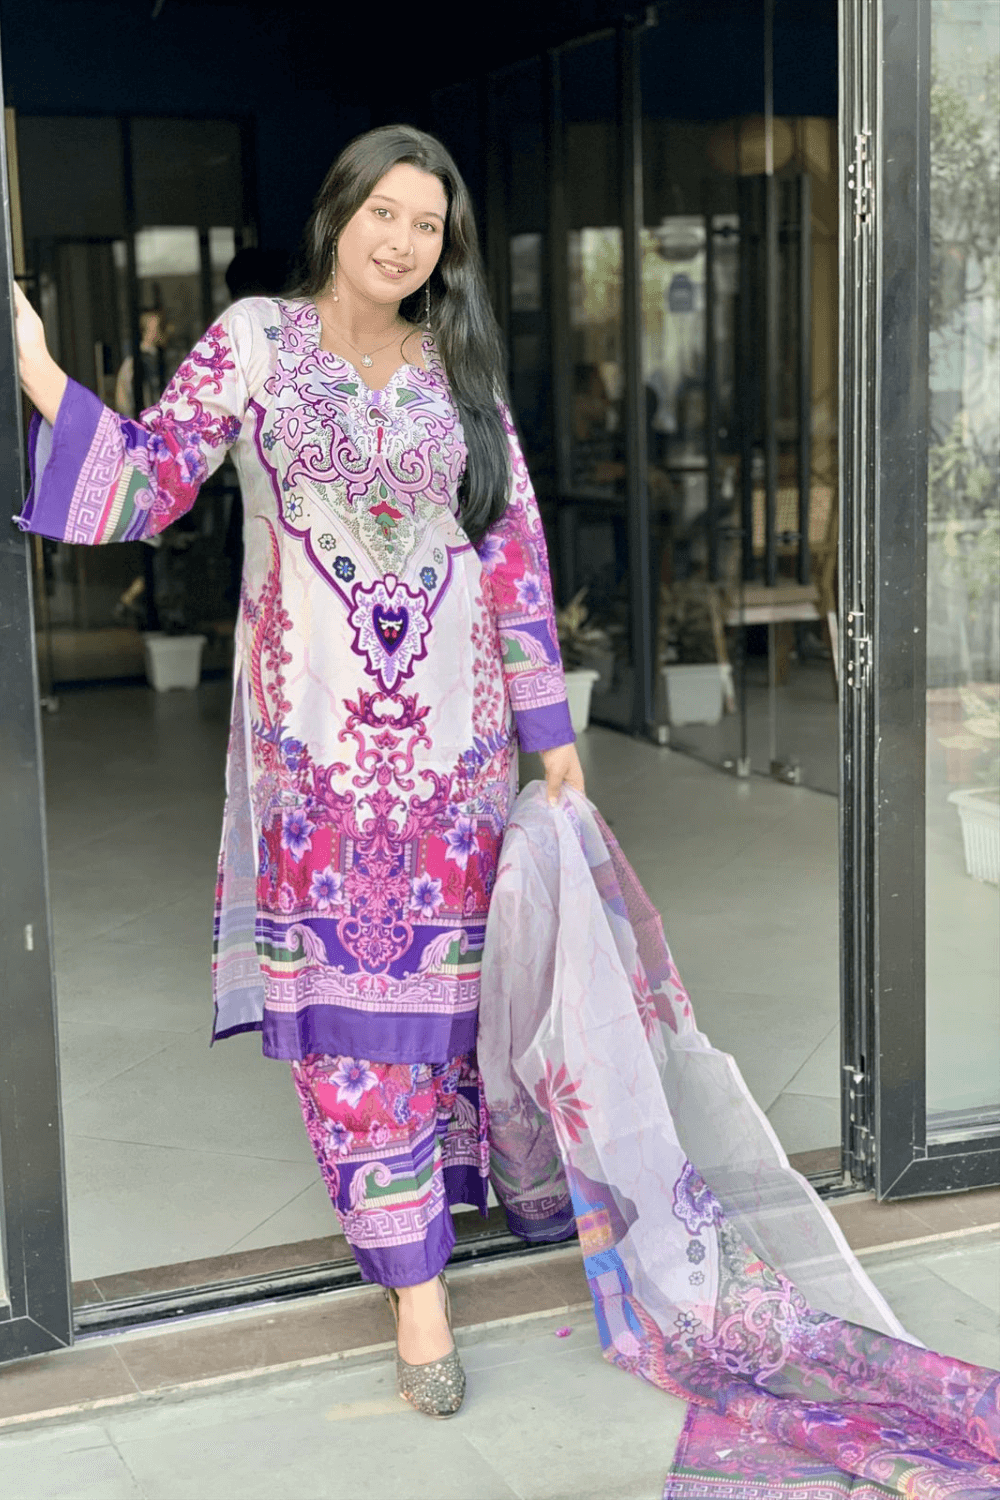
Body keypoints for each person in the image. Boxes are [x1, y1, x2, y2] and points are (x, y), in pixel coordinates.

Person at [13, 123, 585, 1420]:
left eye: (428, 225)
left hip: (455, 756)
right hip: (316, 755)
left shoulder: (459, 368)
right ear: (339, 214)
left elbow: (511, 547)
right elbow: (154, 479)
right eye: (385, 212)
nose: (403, 241)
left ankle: (444, 1203)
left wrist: (550, 734)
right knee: (347, 1020)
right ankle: (417, 1287)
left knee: (443, 1008)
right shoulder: (256, 344)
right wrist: (38, 368)